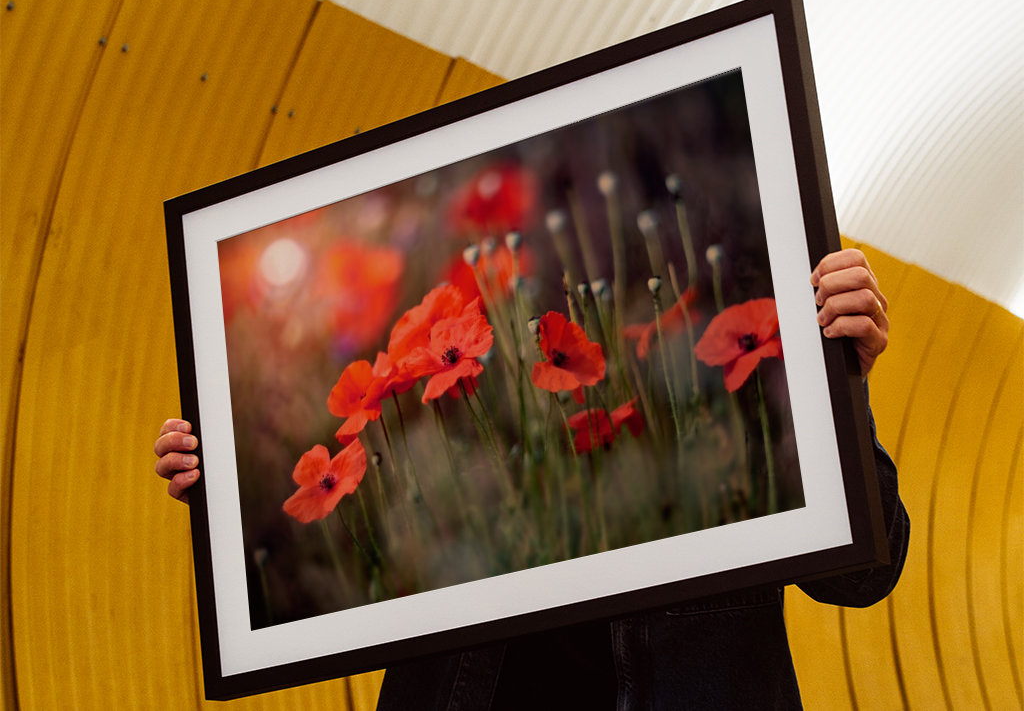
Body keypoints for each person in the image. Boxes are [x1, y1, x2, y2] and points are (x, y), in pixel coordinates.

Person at [155, 249, 909, 710]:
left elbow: (864, 574)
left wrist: (839, 382)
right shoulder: (464, 459)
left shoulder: (736, 393)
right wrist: (228, 496)